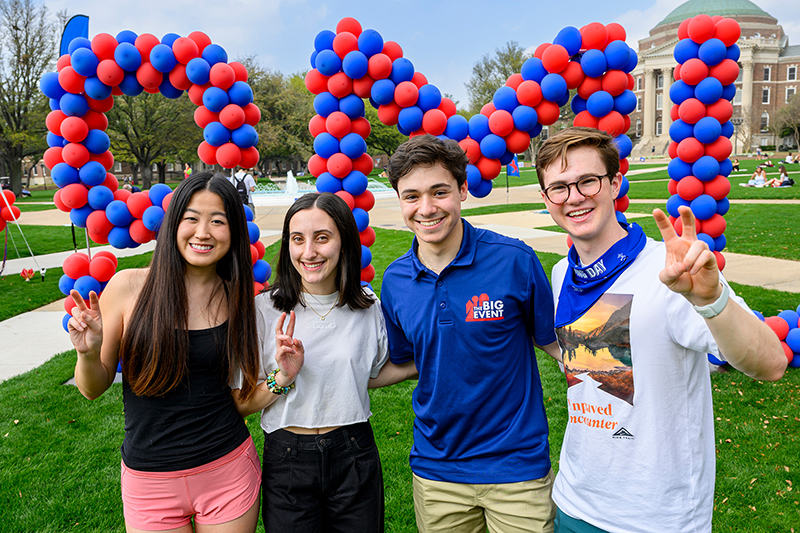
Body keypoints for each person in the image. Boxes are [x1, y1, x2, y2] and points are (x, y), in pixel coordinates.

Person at [535, 127, 787, 533]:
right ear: (546, 199)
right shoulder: (562, 273)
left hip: (655, 517)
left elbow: (771, 363)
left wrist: (710, 299)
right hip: (574, 500)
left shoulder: (669, 273)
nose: (574, 197)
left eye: (587, 180)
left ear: (615, 183)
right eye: (559, 188)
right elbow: (590, 369)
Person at [378, 134, 561, 533]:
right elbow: (409, 360)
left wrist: (620, 369)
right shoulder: (395, 281)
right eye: (411, 196)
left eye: (439, 191)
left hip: (518, 470)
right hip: (436, 472)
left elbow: (550, 340)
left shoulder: (514, 260)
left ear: (462, 190)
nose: (426, 208)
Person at [67, 172, 264, 532]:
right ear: (173, 224)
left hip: (227, 470)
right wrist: (88, 354)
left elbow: (241, 390)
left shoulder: (237, 297)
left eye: (217, 221)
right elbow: (91, 388)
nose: (203, 232)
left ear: (233, 231)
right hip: (149, 480)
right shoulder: (128, 287)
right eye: (191, 218)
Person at [234, 192, 388, 533]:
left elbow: (373, 372)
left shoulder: (369, 308)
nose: (309, 252)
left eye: (322, 238)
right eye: (297, 239)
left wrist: (429, 359)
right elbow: (239, 405)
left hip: (354, 453)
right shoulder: (263, 310)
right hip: (288, 458)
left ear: (345, 242)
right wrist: (283, 377)